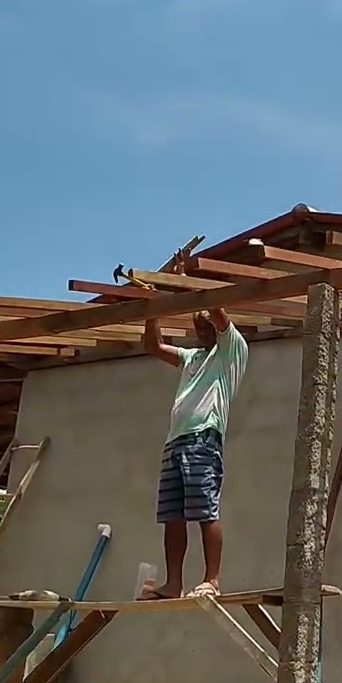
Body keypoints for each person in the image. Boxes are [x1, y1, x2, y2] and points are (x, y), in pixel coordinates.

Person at [137, 254, 249, 600]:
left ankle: (212, 579)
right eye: (197, 329)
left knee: (205, 509)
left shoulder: (231, 349)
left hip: (203, 440)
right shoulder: (192, 357)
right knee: (173, 515)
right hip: (176, 442)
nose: (202, 333)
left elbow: (217, 310)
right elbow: (153, 346)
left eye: (206, 328)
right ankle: (174, 584)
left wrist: (186, 282)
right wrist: (153, 307)